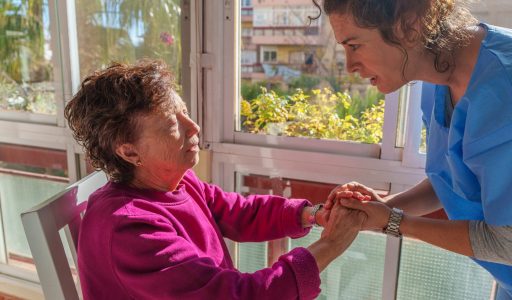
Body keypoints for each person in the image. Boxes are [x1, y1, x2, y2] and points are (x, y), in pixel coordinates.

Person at [311, 0, 512, 299]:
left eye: (354, 45)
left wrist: (393, 221)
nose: (349, 66)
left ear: (408, 26)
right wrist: (385, 207)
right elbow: (454, 176)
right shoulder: (439, 78)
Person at [64, 60, 365, 299]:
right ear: (129, 152)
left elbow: (239, 212)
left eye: (185, 113)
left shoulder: (178, 183)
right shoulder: (129, 230)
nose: (193, 127)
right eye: (172, 123)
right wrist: (331, 245)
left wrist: (311, 214)